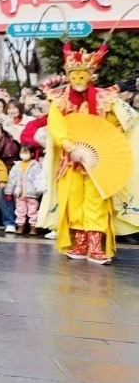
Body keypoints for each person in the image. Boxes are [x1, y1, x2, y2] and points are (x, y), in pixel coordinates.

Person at [40, 43, 139, 264]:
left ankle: (96, 245)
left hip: (98, 159)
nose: (78, 79)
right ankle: (78, 242)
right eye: (74, 74)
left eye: (83, 74)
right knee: (74, 199)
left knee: (97, 199)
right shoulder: (60, 100)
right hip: (71, 159)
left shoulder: (106, 98)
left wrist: (110, 138)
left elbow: (120, 121)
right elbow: (56, 125)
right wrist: (69, 146)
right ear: (68, 75)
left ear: (91, 75)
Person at [5, 144, 43, 235]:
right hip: (19, 194)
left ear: (32, 154)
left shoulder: (35, 165)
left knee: (33, 211)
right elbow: (12, 179)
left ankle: (33, 227)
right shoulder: (17, 165)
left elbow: (39, 178)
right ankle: (20, 226)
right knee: (20, 211)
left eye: (26, 152)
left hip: (32, 194)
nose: (23, 154)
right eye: (22, 152)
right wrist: (9, 191)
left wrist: (39, 189)